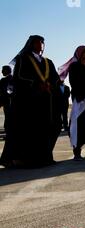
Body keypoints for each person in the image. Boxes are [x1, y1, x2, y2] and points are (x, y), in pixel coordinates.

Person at [1, 35, 61, 168]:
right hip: (28, 102)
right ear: (31, 44)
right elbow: (19, 77)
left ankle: (44, 157)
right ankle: (26, 160)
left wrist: (51, 85)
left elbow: (55, 78)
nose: (40, 44)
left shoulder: (48, 61)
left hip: (45, 101)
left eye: (42, 42)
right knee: (28, 130)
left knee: (47, 129)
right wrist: (35, 84)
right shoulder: (23, 59)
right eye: (37, 42)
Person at [59, 45, 85, 161]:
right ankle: (77, 152)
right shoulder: (74, 67)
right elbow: (75, 84)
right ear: (79, 54)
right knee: (77, 126)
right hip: (80, 102)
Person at [0, 66, 13, 136]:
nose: (1, 72)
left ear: (7, 71)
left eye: (3, 70)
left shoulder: (4, 80)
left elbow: (3, 94)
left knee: (8, 118)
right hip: (11, 103)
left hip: (7, 103)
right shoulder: (14, 79)